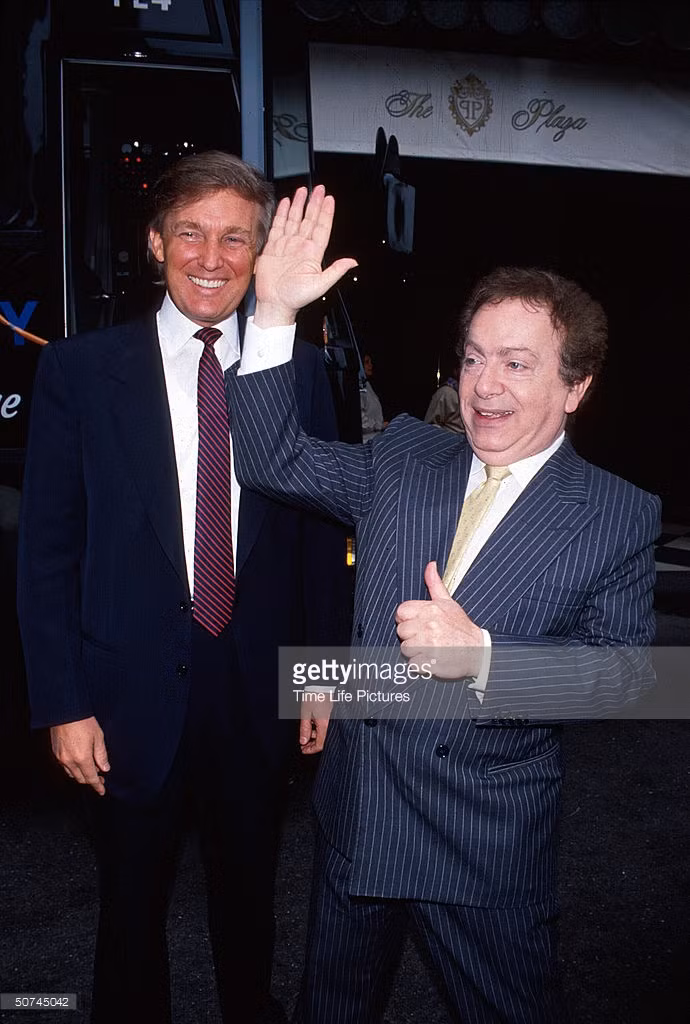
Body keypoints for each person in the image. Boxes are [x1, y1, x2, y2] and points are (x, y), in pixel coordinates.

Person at [225, 186, 661, 1023]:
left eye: (518, 363)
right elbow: (272, 458)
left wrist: (483, 662)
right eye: (472, 358)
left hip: (483, 846)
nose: (484, 387)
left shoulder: (616, 512)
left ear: (577, 388)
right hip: (360, 823)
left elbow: (630, 678)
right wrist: (272, 310)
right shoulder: (407, 457)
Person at [17, 154, 349, 1024]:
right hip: (124, 698)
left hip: (255, 689)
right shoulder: (81, 373)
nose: (212, 256)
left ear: (260, 251)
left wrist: (323, 676)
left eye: (236, 236)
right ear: (155, 240)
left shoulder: (300, 373)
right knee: (129, 915)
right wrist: (62, 702)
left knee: (252, 903)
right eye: (192, 232)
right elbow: (47, 553)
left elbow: (320, 535)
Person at [424, 362, 465, 433]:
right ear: (455, 371)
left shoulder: (470, 392)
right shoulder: (445, 392)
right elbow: (429, 425)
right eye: (462, 368)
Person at [359, 352, 385, 441]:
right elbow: (361, 420)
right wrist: (379, 425)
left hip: (376, 438)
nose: (371, 365)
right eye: (366, 362)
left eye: (370, 362)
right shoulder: (359, 387)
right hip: (367, 441)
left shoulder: (366, 384)